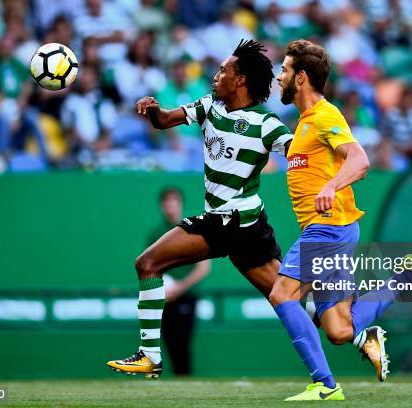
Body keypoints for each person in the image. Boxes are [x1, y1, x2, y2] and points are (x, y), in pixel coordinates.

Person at [271, 40, 412, 401]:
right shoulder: (304, 123)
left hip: (330, 228)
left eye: (285, 70)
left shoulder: (325, 115)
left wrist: (331, 185)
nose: (279, 77)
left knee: (282, 293)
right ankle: (405, 277)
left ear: (301, 77)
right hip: (331, 230)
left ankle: (324, 385)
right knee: (339, 330)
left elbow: (361, 160)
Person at [106, 39, 293, 378]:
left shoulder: (267, 125)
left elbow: (299, 157)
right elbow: (164, 121)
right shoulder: (210, 105)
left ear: (240, 81)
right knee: (148, 264)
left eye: (223, 71)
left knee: (285, 297)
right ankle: (357, 333)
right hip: (223, 223)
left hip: (241, 226)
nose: (215, 75)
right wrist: (153, 109)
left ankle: (354, 330)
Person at [147, 188, 211, 376]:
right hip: (164, 298)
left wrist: (178, 289)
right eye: (167, 202)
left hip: (186, 296)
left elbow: (203, 268)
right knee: (169, 344)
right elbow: (150, 266)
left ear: (180, 204)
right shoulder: (156, 233)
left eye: (174, 201)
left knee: (183, 343)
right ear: (162, 206)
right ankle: (176, 385)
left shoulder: (193, 230)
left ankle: (186, 383)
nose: (170, 206)